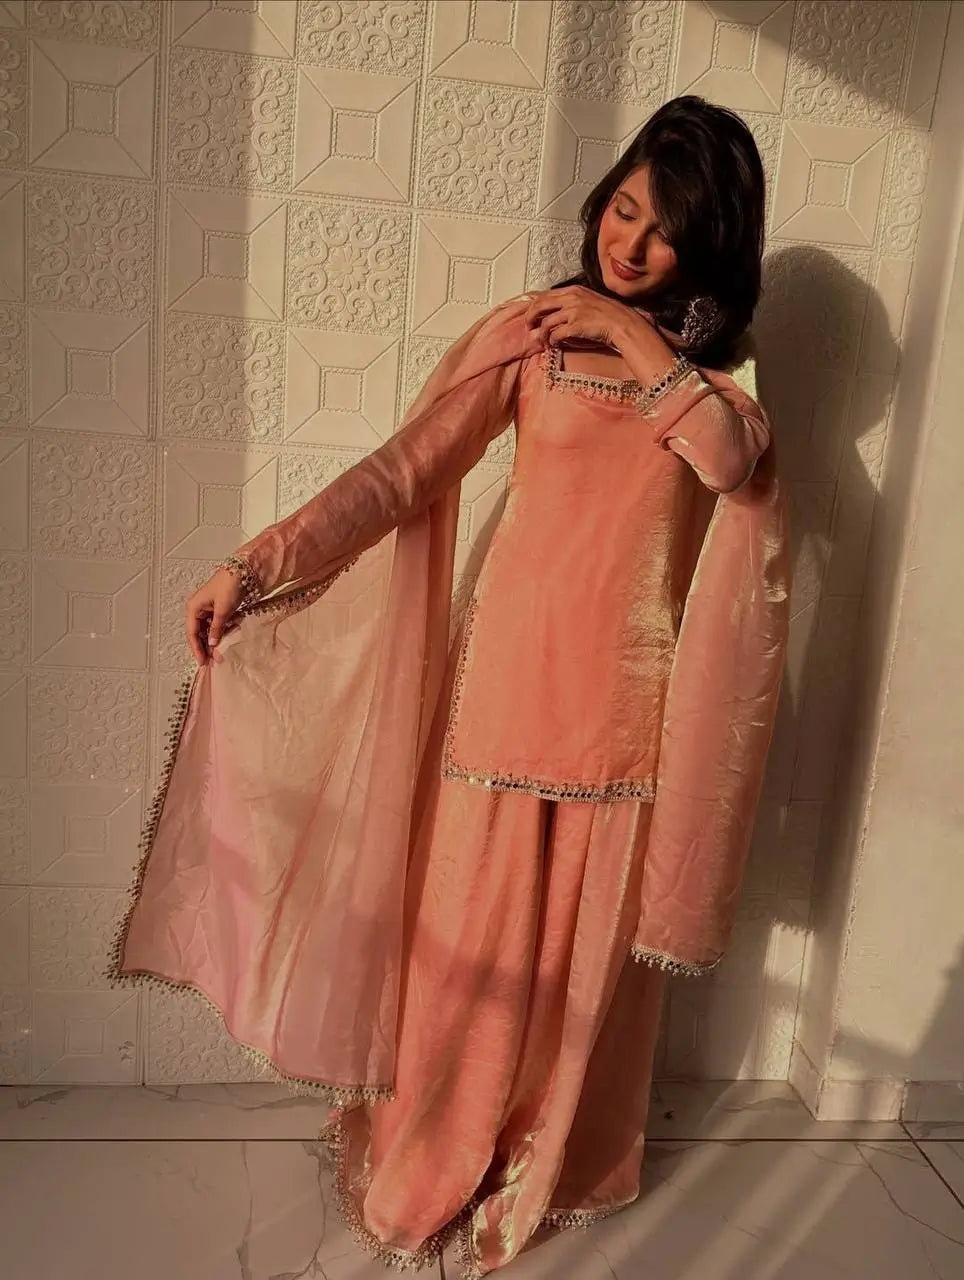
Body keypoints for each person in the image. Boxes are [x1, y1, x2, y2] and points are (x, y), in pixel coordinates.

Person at [107, 96, 791, 1276]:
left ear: (709, 245)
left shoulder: (721, 378)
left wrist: (628, 335)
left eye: (663, 229)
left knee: (575, 975)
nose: (628, 242)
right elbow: (402, 471)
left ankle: (543, 1155)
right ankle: (438, 1148)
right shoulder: (528, 341)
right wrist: (256, 562)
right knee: (464, 958)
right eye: (623, 209)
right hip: (500, 705)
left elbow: (729, 468)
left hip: (625, 718)